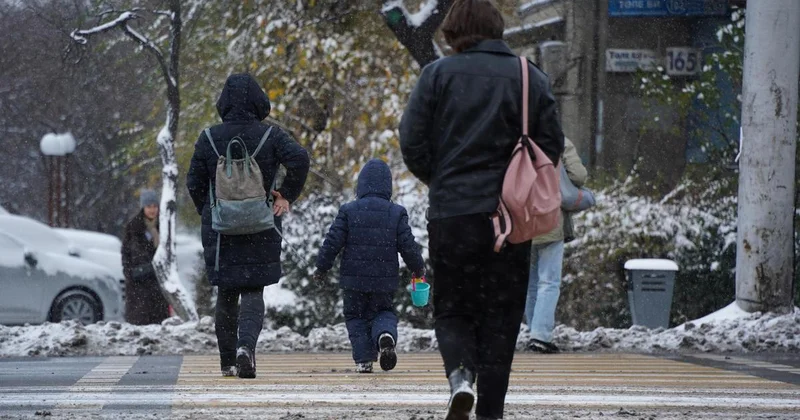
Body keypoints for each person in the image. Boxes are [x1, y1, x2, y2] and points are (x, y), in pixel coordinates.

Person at [398, 0, 565, 418]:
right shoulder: (530, 77)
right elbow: (552, 146)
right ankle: (491, 410)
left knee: (453, 307)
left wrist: (443, 181)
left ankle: (460, 378)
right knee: (502, 316)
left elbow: (411, 142)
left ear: (453, 31)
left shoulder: (436, 76)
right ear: (497, 28)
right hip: (512, 219)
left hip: (453, 216)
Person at [186, 73, 310, 379]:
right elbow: (300, 159)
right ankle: (246, 348)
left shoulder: (209, 137)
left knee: (227, 293)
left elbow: (193, 182)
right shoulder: (271, 135)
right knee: (254, 291)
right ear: (258, 100)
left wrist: (212, 212)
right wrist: (285, 195)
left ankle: (228, 361)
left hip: (221, 229)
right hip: (261, 226)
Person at [313, 159, 425, 374]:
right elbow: (408, 245)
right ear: (387, 186)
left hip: (353, 279)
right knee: (383, 311)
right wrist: (417, 268)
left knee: (355, 316)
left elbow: (332, 242)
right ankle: (385, 336)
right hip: (385, 278)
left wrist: (322, 267)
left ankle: (364, 360)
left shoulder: (348, 210)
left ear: (361, 185)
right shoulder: (396, 212)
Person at [525, 137, 587, 354]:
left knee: (530, 284)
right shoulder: (558, 140)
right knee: (549, 282)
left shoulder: (513, 139)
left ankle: (533, 331)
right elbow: (578, 175)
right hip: (550, 219)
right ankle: (540, 335)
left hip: (521, 220)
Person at [121, 189, 170, 325]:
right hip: (138, 283)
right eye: (149, 206)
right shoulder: (133, 227)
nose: (152, 210)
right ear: (143, 207)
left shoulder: (164, 226)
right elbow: (126, 253)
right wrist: (129, 273)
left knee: (158, 321)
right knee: (139, 321)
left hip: (157, 281)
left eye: (154, 206)